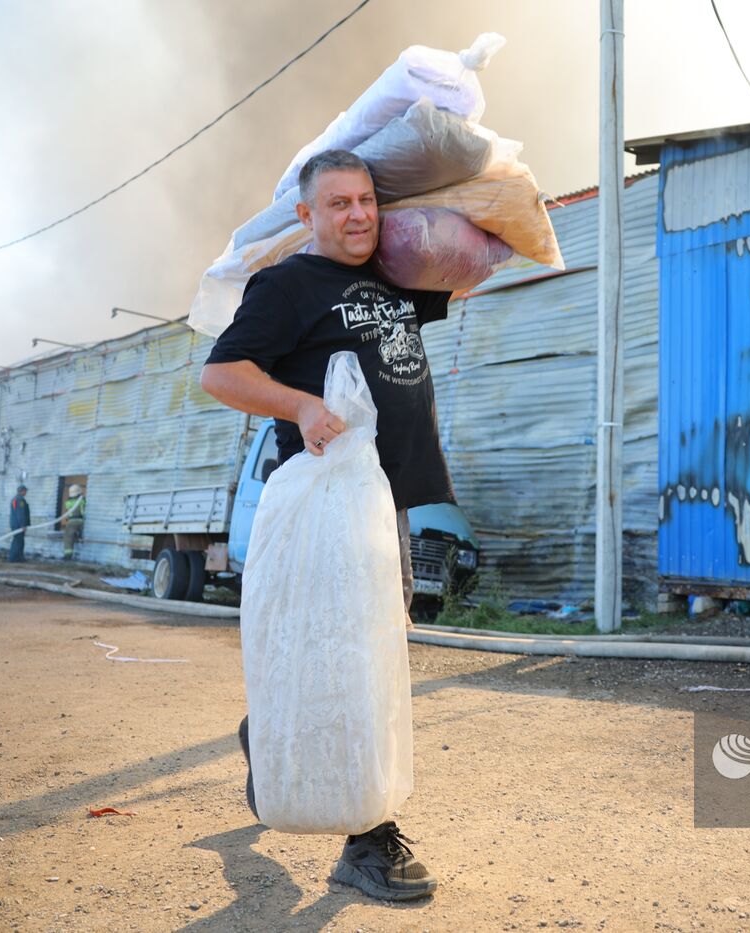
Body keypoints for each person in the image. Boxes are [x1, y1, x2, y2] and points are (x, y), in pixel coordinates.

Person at [201, 149, 453, 902]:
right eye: (338, 203)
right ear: (306, 214)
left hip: (389, 501)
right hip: (331, 507)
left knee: (369, 652)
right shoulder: (285, 285)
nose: (358, 215)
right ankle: (367, 841)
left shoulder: (397, 272)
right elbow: (221, 372)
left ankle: (269, 731)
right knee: (354, 662)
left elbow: (471, 257)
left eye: (368, 200)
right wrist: (301, 405)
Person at [62, 484, 85, 561]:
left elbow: (68, 514)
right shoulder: (82, 500)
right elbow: (83, 512)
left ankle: (68, 555)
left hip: (71, 521)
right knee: (75, 532)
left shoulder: (68, 502)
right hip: (81, 521)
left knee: (68, 537)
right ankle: (79, 534)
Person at [7, 484, 30, 562]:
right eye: (25, 491)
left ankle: (18, 557)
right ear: (22, 491)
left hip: (15, 524)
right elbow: (20, 513)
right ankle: (13, 558)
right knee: (18, 541)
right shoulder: (20, 500)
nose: (26, 492)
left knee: (18, 540)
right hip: (18, 525)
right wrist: (23, 525)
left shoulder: (15, 499)